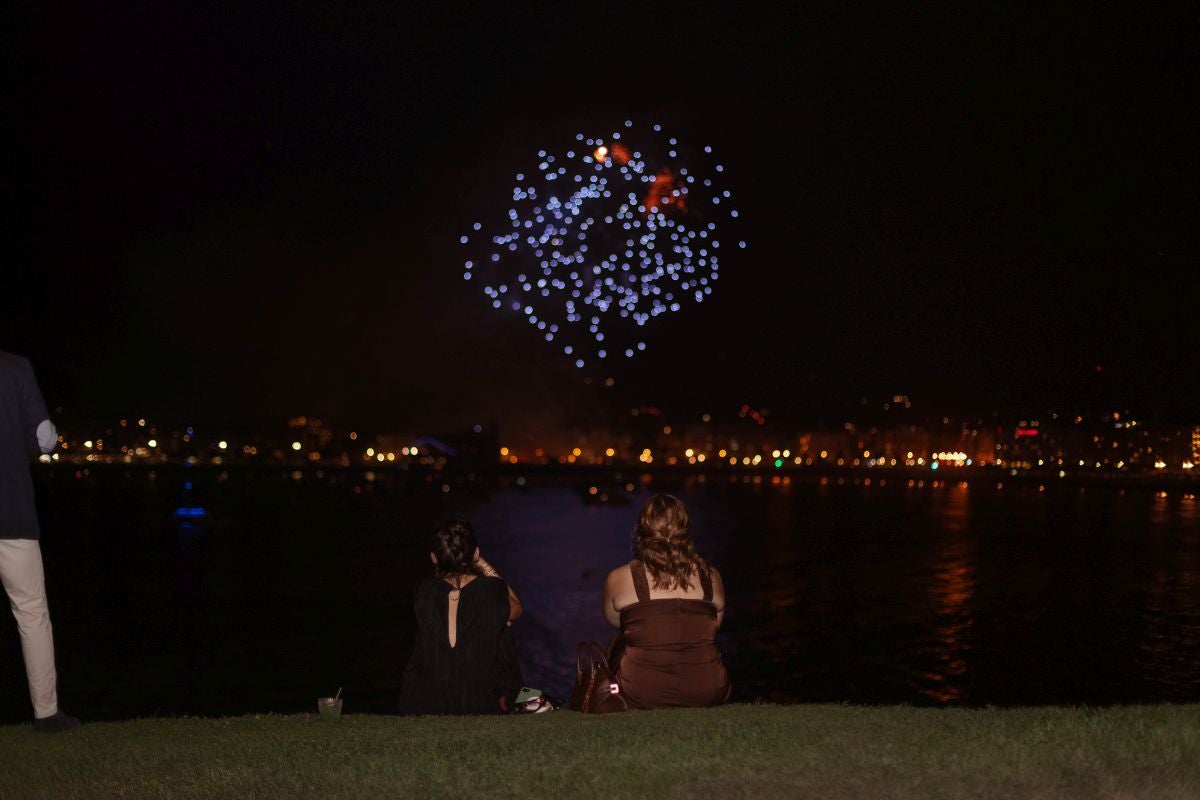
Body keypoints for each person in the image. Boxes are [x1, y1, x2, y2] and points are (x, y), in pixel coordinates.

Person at [0, 350, 80, 732]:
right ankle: (46, 713)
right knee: (31, 611)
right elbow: (43, 439)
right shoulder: (14, 367)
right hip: (11, 510)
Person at [603, 494, 730, 708]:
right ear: (685, 532)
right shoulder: (711, 576)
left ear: (641, 531)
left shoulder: (619, 578)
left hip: (641, 693)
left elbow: (616, 622)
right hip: (707, 690)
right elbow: (713, 627)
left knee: (624, 640)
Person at [398, 517, 524, 715]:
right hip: (479, 703)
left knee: (497, 618)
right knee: (503, 623)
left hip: (424, 702)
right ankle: (513, 697)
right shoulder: (492, 590)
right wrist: (482, 563)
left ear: (433, 557)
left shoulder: (424, 591)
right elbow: (517, 609)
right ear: (475, 553)